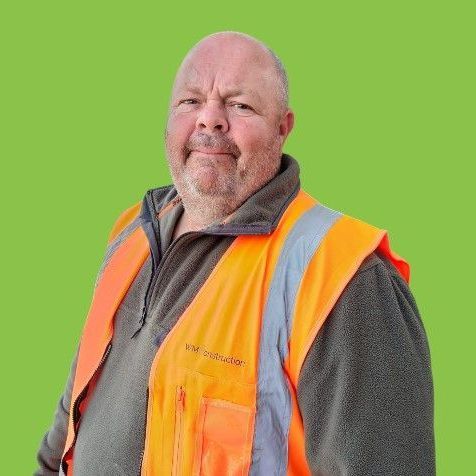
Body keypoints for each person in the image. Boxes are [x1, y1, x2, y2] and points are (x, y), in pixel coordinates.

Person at [35, 31, 435, 475]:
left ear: (283, 128)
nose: (210, 120)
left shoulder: (344, 278)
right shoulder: (133, 229)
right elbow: (73, 411)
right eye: (190, 101)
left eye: (240, 105)